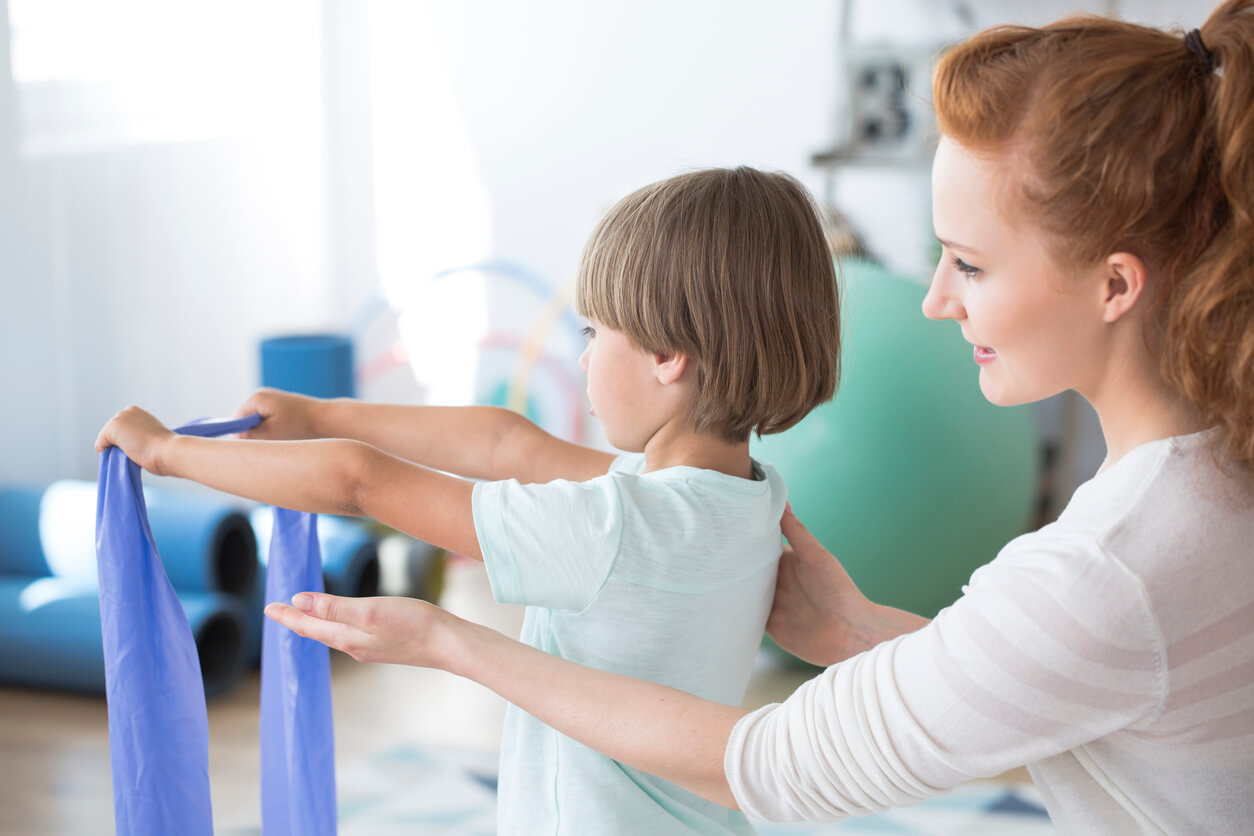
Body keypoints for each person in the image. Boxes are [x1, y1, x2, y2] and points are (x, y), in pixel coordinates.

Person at [256, 1, 1254, 832]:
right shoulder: (1214, 478)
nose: (935, 300)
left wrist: (450, 639)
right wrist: (862, 629)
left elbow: (766, 761)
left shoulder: (1107, 565)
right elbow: (1081, 682)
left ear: (1116, 283)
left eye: (972, 263)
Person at [95, 167, 841, 835]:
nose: (582, 356)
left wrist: (170, 454)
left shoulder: (611, 526)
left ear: (667, 356)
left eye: (595, 331)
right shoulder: (744, 499)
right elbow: (508, 446)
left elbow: (360, 482)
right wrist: (323, 415)